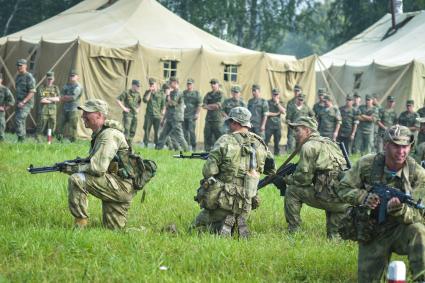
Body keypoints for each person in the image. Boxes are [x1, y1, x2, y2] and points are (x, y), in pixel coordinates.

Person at [337, 125, 425, 282]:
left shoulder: (417, 173)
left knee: (419, 230)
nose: (401, 151)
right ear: (386, 145)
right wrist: (363, 197)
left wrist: (400, 210)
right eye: (396, 146)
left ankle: (421, 278)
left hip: (401, 229)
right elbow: (343, 187)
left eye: (405, 147)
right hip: (372, 230)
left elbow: (420, 213)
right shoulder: (367, 164)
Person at [192, 107, 275, 237]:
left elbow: (208, 171)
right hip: (246, 202)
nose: (229, 125)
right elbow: (271, 170)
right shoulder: (261, 144)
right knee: (232, 222)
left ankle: (224, 226)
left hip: (222, 201)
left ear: (236, 123)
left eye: (230, 122)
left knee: (195, 227)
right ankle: (236, 224)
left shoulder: (225, 140)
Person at [63, 99, 137, 229]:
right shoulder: (100, 134)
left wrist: (71, 168)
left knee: (77, 179)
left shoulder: (108, 135)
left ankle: (80, 225)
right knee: (114, 231)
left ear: (99, 115)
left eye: (87, 113)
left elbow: (98, 168)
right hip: (116, 184)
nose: (83, 116)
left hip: (120, 186)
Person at [284, 116, 349, 239]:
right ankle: (334, 236)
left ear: (308, 131)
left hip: (329, 198)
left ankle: (294, 230)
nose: (294, 134)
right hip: (344, 198)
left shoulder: (309, 146)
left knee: (292, 191)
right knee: (334, 238)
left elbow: (303, 180)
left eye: (297, 130)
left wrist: (287, 179)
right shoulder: (330, 143)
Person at [156, 77, 188, 151]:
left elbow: (173, 103)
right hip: (170, 117)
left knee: (179, 136)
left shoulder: (179, 93)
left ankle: (186, 150)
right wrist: (163, 119)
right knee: (163, 134)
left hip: (176, 118)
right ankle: (158, 149)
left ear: (175, 83)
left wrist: (168, 96)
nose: (169, 84)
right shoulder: (172, 93)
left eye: (171, 82)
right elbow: (167, 106)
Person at [58, 70, 83, 142]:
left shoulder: (78, 87)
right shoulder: (66, 85)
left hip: (73, 109)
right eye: (71, 76)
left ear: (77, 77)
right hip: (65, 108)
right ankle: (59, 139)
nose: (72, 77)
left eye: (73, 76)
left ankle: (73, 140)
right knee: (60, 124)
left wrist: (64, 98)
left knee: (73, 126)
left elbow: (73, 98)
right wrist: (64, 97)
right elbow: (61, 95)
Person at [14, 58, 36, 142]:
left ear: (25, 66)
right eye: (18, 66)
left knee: (18, 119)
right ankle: (22, 140)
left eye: (21, 66)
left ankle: (21, 138)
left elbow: (32, 92)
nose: (19, 67)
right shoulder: (18, 77)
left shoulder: (29, 77)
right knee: (21, 121)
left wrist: (23, 102)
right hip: (19, 102)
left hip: (26, 103)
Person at [36, 71, 61, 141]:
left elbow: (58, 99)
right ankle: (39, 141)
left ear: (53, 79)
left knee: (52, 127)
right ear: (46, 79)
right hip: (44, 111)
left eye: (51, 79)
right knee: (41, 127)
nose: (50, 81)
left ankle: (49, 141)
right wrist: (53, 99)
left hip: (53, 111)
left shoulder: (56, 88)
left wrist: (48, 98)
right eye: (48, 79)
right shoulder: (41, 88)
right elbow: (42, 100)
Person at [116, 79, 142, 144]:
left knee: (133, 130)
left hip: (134, 115)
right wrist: (124, 108)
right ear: (133, 85)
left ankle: (129, 144)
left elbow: (139, 102)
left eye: (139, 86)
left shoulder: (138, 94)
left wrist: (138, 109)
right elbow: (118, 99)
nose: (139, 88)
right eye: (137, 86)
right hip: (128, 115)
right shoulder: (126, 93)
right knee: (126, 130)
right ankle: (124, 144)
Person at [202, 78, 224, 151]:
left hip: (217, 119)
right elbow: (204, 105)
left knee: (218, 137)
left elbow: (218, 106)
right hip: (209, 119)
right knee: (207, 135)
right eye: (211, 83)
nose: (212, 85)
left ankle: (220, 151)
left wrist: (208, 106)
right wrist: (211, 106)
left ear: (218, 84)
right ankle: (207, 151)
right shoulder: (208, 94)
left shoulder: (221, 94)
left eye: (214, 83)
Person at [142, 78, 165, 148]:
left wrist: (162, 115)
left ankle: (156, 145)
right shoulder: (147, 92)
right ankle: (145, 144)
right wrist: (150, 91)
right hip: (149, 115)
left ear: (156, 84)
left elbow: (163, 105)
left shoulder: (161, 93)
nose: (152, 85)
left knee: (157, 132)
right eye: (151, 84)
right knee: (146, 130)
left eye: (153, 84)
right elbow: (145, 100)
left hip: (157, 116)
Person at [182, 78, 202, 150]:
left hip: (192, 115)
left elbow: (199, 105)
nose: (189, 85)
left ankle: (194, 146)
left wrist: (197, 114)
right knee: (185, 132)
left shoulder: (196, 93)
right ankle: (186, 146)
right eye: (188, 84)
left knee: (191, 131)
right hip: (184, 115)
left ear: (193, 85)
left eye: (190, 84)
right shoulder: (183, 93)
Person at [265, 88, 285, 155]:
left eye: (277, 94)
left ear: (279, 95)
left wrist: (277, 103)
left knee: (277, 141)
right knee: (266, 140)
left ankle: (277, 153)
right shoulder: (268, 102)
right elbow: (266, 113)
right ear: (272, 94)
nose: (275, 96)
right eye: (274, 94)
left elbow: (283, 111)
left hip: (277, 125)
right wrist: (276, 114)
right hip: (269, 124)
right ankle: (265, 153)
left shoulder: (281, 103)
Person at [286, 84, 303, 152]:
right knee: (291, 142)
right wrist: (288, 122)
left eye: (298, 91)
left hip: (301, 126)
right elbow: (288, 116)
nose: (296, 92)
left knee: (300, 143)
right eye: (295, 91)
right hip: (292, 126)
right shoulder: (290, 102)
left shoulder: (303, 102)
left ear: (301, 91)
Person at [0, 73, 15, 141]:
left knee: (0, 130)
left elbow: (12, 101)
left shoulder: (5, 90)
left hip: (0, 114)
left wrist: (4, 108)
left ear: (1, 80)